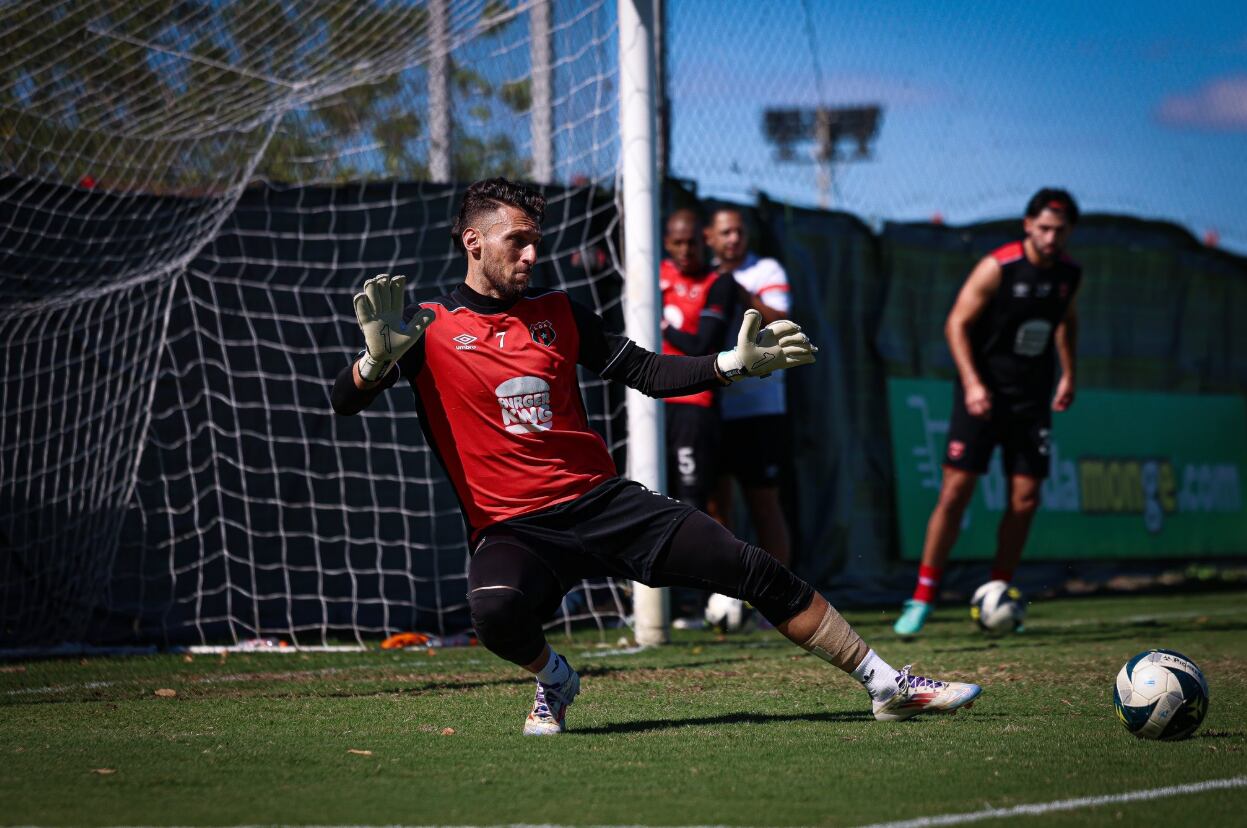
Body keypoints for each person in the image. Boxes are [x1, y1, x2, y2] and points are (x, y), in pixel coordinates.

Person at [332, 177, 981, 735]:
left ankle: (886, 683)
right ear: (473, 242)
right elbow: (344, 401)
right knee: (495, 611)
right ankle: (555, 679)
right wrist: (373, 362)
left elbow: (645, 370)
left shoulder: (560, 311)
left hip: (601, 502)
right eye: (517, 241)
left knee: (750, 566)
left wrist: (729, 364)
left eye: (537, 240)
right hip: (512, 528)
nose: (532, 254)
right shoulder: (424, 327)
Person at [893, 188, 1082, 636]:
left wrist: (1069, 374)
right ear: (1028, 225)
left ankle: (999, 592)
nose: (1052, 238)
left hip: (1031, 401)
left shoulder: (1069, 274)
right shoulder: (998, 267)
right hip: (982, 394)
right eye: (1044, 228)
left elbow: (1066, 322)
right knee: (955, 493)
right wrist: (974, 384)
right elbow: (956, 323)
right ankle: (922, 596)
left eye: (1060, 230)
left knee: (1026, 499)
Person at [702, 207, 795, 628]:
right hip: (714, 406)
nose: (733, 239)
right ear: (709, 237)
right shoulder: (701, 276)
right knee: (717, 508)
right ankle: (727, 598)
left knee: (764, 504)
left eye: (739, 231)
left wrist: (735, 291)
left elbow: (782, 323)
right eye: (725, 232)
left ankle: (778, 601)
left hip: (760, 409)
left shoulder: (766, 270)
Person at [659, 209, 736, 510]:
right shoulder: (655, 274)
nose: (685, 250)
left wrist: (662, 324)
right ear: (666, 243)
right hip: (650, 401)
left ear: (703, 241)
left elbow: (704, 345)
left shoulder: (718, 283)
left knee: (691, 501)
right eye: (678, 243)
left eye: (691, 242)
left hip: (694, 406)